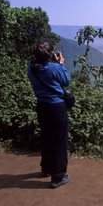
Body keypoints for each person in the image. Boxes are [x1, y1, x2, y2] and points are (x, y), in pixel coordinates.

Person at [28, 41, 70, 188]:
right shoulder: (55, 67)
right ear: (51, 54)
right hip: (56, 107)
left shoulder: (31, 68)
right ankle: (58, 176)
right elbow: (66, 81)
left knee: (46, 138)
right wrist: (60, 64)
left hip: (41, 106)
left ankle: (46, 169)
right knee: (59, 141)